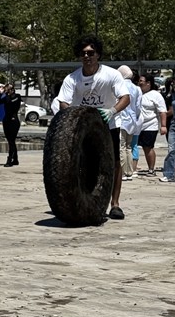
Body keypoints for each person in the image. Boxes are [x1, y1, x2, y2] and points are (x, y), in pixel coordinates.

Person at [56, 36, 131, 220]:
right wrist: (72, 117)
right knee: (82, 162)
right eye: (83, 53)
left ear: (98, 54)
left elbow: (125, 98)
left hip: (108, 124)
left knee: (114, 163)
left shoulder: (111, 75)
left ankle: (115, 204)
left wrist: (112, 111)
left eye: (91, 53)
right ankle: (85, 199)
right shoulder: (72, 78)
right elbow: (63, 102)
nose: (87, 56)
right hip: (82, 127)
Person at [114, 65, 143, 181]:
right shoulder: (137, 89)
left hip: (121, 120)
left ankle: (122, 172)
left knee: (121, 147)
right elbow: (138, 107)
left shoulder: (119, 86)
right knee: (128, 147)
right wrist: (135, 118)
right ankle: (129, 172)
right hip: (132, 121)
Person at [135, 73, 167, 176]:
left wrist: (163, 126)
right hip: (136, 126)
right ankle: (133, 167)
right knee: (133, 147)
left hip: (150, 125)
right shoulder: (137, 92)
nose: (139, 83)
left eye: (141, 81)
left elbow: (162, 111)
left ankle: (151, 169)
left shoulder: (155, 95)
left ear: (148, 83)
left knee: (148, 147)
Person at [0, 83, 23, 166]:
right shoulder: (6, 97)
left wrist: (7, 94)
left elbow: (11, 102)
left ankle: (9, 160)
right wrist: (0, 94)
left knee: (11, 140)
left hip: (14, 120)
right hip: (6, 120)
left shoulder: (17, 96)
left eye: (8, 89)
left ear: (12, 90)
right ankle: (15, 159)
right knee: (10, 140)